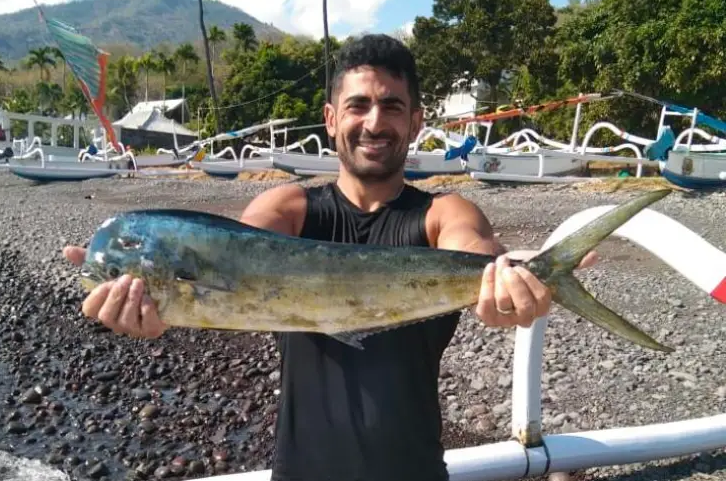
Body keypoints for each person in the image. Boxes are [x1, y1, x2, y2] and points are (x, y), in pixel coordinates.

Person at [63, 34, 595, 481]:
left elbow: (476, 256)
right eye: (358, 105)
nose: (374, 122)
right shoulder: (288, 207)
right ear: (330, 118)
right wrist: (154, 307)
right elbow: (226, 265)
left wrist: (505, 287)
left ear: (415, 122)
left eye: (392, 106)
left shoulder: (442, 212)